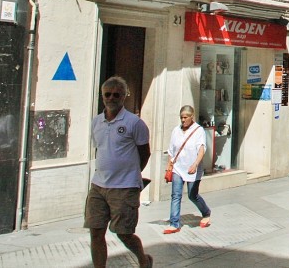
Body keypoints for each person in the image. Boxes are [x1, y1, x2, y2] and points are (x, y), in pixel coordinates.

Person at [84, 76, 152, 268]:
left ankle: (143, 260)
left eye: (116, 95)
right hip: (98, 186)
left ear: (124, 97)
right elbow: (100, 148)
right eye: (108, 94)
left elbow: (144, 153)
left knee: (124, 233)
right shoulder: (96, 122)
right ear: (102, 96)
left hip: (124, 187)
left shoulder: (134, 123)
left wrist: (131, 175)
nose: (111, 98)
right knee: (95, 231)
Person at [165, 105, 210, 234]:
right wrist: (169, 164)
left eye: (185, 117)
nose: (183, 120)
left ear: (192, 117)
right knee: (176, 195)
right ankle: (174, 223)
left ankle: (206, 212)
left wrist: (195, 164)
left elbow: (201, 149)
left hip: (193, 169)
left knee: (192, 195)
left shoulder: (198, 131)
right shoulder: (176, 131)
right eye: (181, 118)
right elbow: (171, 150)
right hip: (178, 168)